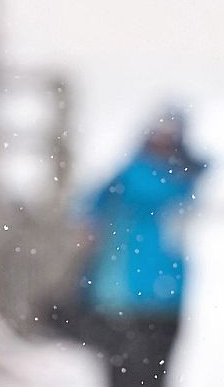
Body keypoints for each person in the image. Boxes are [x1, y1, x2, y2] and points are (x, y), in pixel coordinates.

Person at [80, 110, 205, 387]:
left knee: (135, 377)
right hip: (134, 301)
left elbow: (86, 214)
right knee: (141, 377)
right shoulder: (167, 180)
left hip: (140, 301)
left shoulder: (131, 177)